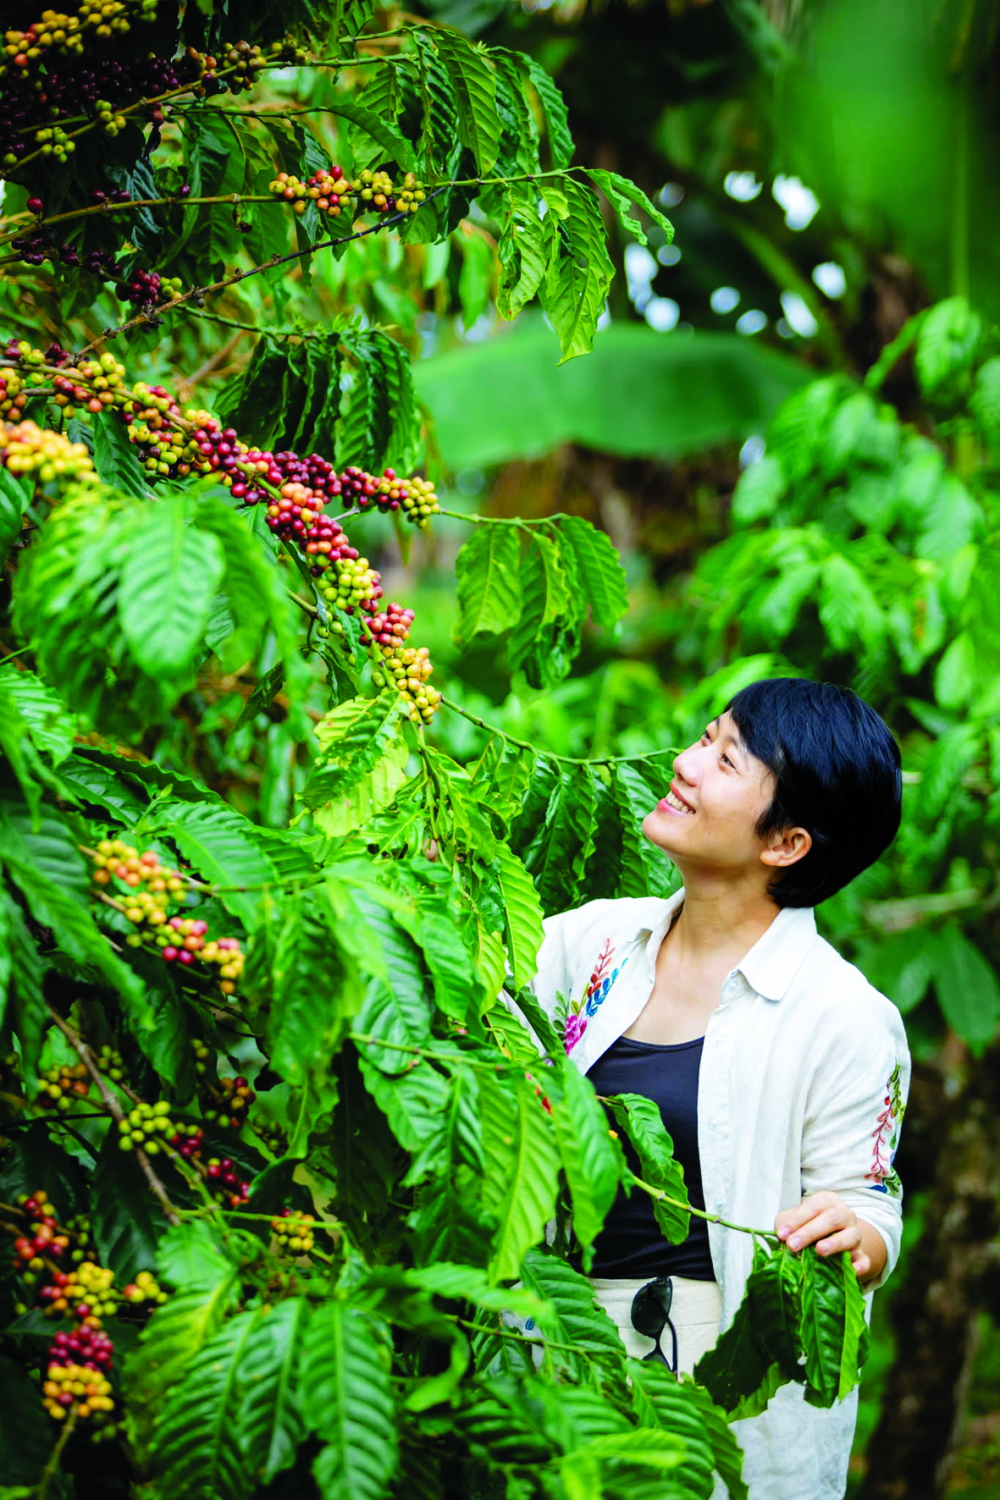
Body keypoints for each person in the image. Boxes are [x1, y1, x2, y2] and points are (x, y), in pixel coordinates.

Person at [526, 677, 910, 1500]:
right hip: (547, 1345)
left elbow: (870, 1203)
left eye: (725, 759)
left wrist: (856, 1236)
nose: (685, 765)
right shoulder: (590, 941)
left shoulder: (845, 1017)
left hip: (714, 1377)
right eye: (705, 738)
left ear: (787, 844)